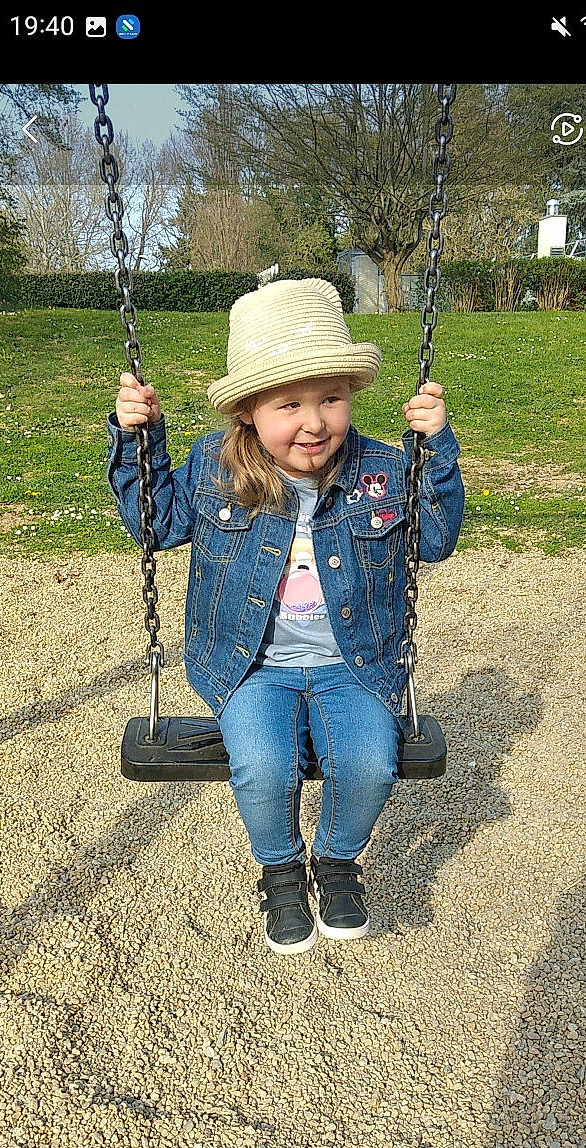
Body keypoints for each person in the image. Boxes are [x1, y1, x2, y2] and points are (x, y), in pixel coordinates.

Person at [107, 276, 465, 956]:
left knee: (369, 762)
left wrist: (435, 449)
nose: (314, 421)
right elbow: (156, 524)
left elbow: (437, 540)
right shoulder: (215, 467)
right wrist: (138, 439)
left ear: (351, 396)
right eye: (289, 404)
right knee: (265, 766)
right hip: (252, 666)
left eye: (331, 398)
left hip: (351, 664)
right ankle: (278, 871)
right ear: (246, 411)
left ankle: (336, 862)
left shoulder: (384, 471)